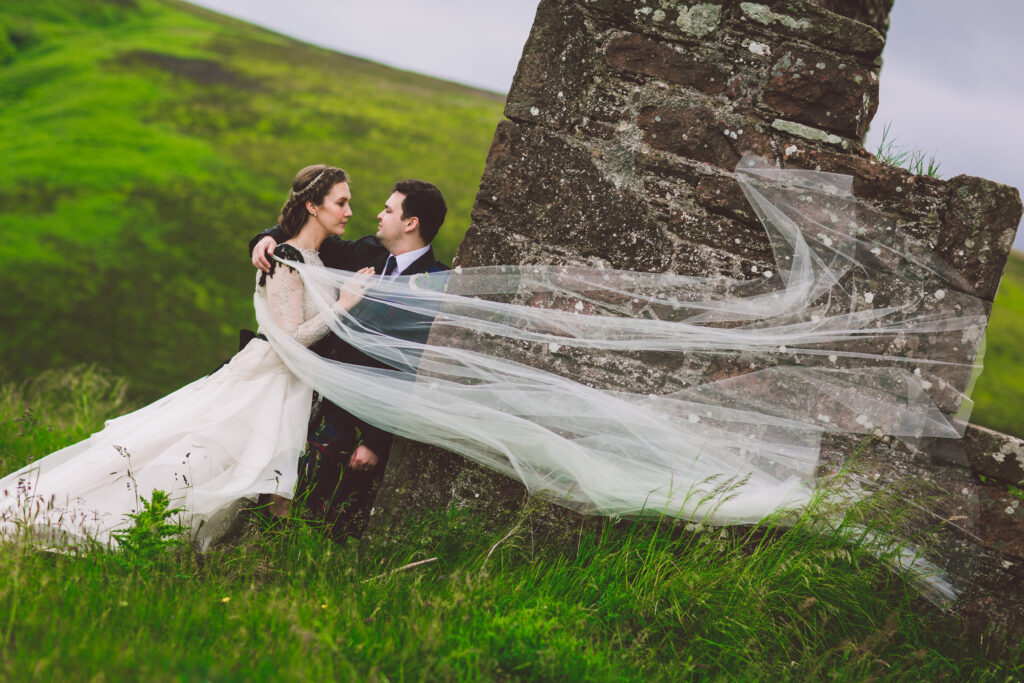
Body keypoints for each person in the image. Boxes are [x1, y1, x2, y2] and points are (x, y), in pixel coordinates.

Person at [0, 164, 374, 550]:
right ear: (313, 205)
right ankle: (98, 523)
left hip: (292, 385)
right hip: (267, 381)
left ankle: (256, 555)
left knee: (260, 480)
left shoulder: (315, 256)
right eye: (341, 202)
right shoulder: (284, 257)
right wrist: (342, 306)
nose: (349, 211)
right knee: (198, 463)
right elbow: (288, 339)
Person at [249, 179, 449, 538]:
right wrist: (265, 238)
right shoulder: (364, 252)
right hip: (314, 404)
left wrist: (376, 440)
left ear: (410, 223)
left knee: (330, 524)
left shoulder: (436, 284)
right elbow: (309, 233)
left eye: (388, 210)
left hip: (367, 423)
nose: (378, 214)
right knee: (278, 500)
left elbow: (413, 368)